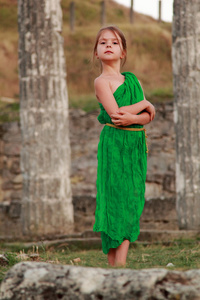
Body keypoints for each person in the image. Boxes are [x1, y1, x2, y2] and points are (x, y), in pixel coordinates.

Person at [92, 25, 155, 267]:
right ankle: (114, 266)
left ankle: (121, 263)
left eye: (115, 42)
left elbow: (148, 117)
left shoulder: (132, 80)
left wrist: (138, 114)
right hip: (115, 144)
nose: (109, 45)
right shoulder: (101, 81)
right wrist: (144, 104)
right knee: (114, 199)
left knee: (132, 198)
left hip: (136, 144)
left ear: (123, 52)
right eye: (103, 42)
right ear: (96, 52)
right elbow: (115, 114)